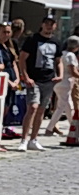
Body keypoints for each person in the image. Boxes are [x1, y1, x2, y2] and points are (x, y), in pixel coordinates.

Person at [16, 16, 61, 152]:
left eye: (51, 24)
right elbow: (22, 59)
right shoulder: (32, 40)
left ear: (55, 26)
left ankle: (33, 139)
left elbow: (58, 60)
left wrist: (60, 74)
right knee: (32, 107)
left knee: (41, 109)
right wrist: (25, 76)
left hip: (48, 79)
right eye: (46, 23)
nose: (49, 26)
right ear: (42, 25)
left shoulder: (56, 42)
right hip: (34, 79)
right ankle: (24, 139)